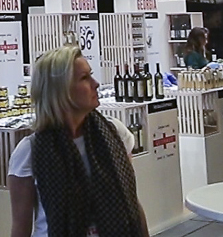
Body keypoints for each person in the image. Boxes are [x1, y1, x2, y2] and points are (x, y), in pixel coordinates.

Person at [8, 45, 148, 237]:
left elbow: (131, 201)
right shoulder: (30, 152)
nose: (95, 84)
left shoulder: (115, 134)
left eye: (91, 75)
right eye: (84, 78)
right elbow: (20, 228)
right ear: (61, 90)